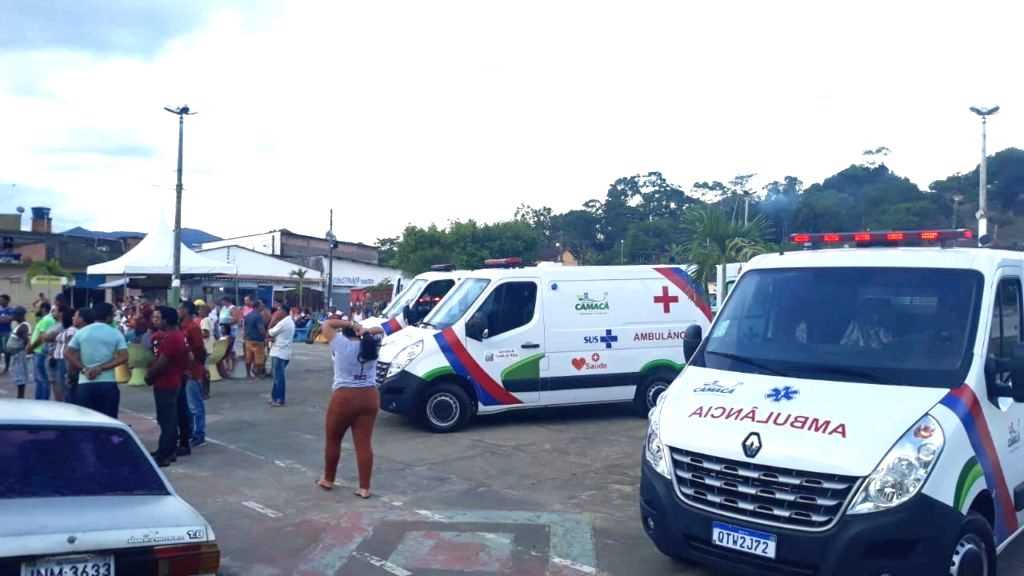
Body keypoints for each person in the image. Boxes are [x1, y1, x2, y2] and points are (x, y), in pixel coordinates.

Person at [317, 317, 384, 498]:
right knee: (363, 444)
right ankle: (364, 488)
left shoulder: (340, 344)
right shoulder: (372, 344)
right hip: (369, 395)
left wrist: (350, 324)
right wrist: (365, 330)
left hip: (344, 396)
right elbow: (380, 330)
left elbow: (327, 324)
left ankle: (328, 479)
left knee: (333, 439)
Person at [65, 304, 126, 418]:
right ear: (108, 317)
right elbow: (124, 357)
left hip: (85, 383)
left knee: (87, 422)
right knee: (109, 421)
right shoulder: (115, 333)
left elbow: (67, 353)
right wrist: (101, 368)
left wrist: (84, 368)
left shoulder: (82, 332)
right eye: (112, 315)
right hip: (108, 383)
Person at [147, 306, 189, 466]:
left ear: (166, 319)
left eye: (157, 317)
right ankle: (167, 451)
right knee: (168, 418)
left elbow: (162, 362)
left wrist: (149, 375)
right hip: (172, 380)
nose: (154, 320)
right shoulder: (175, 335)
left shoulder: (171, 337)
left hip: (166, 382)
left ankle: (165, 454)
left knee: (167, 420)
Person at [179, 301, 207, 448]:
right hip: (185, 371)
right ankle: (190, 431)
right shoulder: (182, 327)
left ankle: (199, 433)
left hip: (193, 370)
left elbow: (200, 350)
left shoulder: (193, 327)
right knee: (188, 405)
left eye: (180, 309)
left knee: (195, 405)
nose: (178, 311)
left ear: (186, 311)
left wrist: (197, 368)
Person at [268, 306, 297, 406]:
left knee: (278, 377)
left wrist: (273, 319)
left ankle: (279, 399)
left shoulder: (284, 322)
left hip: (279, 352)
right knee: (277, 377)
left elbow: (271, 332)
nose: (277, 312)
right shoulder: (288, 321)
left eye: (279, 310)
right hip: (283, 351)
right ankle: (275, 397)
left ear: (283, 312)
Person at [26, 302, 56, 400]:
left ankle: (42, 401)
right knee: (39, 379)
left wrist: (31, 348)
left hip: (40, 352)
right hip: (39, 352)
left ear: (43, 309)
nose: (35, 309)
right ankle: (39, 400)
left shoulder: (47, 320)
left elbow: (42, 337)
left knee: (42, 379)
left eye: (37, 307)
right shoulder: (45, 319)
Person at [42, 305, 69, 402]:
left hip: (55, 358)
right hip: (51, 356)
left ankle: (60, 405)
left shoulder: (61, 326)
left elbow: (45, 337)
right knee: (54, 382)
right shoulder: (55, 324)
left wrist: (46, 335)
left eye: (54, 311)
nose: (52, 313)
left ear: (61, 313)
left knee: (58, 383)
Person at [5, 307, 30, 398]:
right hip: (17, 354)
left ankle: (20, 397)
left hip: (19, 354)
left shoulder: (23, 326)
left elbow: (27, 340)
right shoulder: (20, 325)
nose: (13, 316)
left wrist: (26, 349)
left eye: (15, 314)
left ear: (20, 315)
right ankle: (20, 396)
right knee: (18, 376)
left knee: (20, 377)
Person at [244, 300, 267, 379]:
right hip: (258, 340)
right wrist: (266, 336)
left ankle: (248, 374)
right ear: (258, 306)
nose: (263, 307)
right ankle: (258, 374)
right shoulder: (258, 316)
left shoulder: (248, 315)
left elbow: (245, 327)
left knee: (248, 358)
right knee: (259, 358)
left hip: (248, 339)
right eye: (262, 305)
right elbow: (261, 329)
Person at [197, 300, 215, 398]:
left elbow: (206, 333)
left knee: (204, 370)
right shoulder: (210, 319)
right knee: (205, 369)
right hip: (209, 346)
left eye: (200, 310)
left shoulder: (204, 320)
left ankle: (205, 391)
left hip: (206, 347)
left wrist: (197, 334)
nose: (199, 312)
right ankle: (205, 391)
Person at [218, 297, 238, 377]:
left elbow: (236, 319)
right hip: (223, 331)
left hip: (230, 331)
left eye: (223, 302)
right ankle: (226, 368)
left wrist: (226, 323)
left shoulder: (233, 308)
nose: (223, 303)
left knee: (231, 351)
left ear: (227, 301)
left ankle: (232, 368)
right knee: (225, 351)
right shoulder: (223, 308)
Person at [0, 294, 13, 374]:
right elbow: (4, 320)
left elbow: (9, 320)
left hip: (6, 332)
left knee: (6, 351)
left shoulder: (10, 310)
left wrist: (4, 319)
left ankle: (7, 367)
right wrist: (4, 319)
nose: (0, 301)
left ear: (7, 301)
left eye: (1, 299)